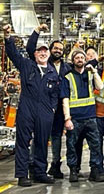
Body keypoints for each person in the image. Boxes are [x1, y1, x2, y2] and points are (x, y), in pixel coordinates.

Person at [4, 24, 61, 186]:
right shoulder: (27, 65)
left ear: (48, 54)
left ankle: (40, 172)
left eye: (45, 51)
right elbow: (13, 54)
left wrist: (52, 108)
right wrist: (8, 37)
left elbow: (55, 93)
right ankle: (22, 175)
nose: (42, 53)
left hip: (45, 110)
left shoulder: (52, 72)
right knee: (23, 141)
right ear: (34, 54)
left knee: (42, 142)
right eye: (39, 51)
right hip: (27, 108)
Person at [25, 24, 70, 180]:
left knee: (56, 137)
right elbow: (30, 49)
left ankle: (55, 166)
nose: (58, 51)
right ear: (50, 49)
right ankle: (33, 166)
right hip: (42, 106)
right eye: (55, 48)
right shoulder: (42, 61)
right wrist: (37, 30)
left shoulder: (66, 68)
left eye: (60, 49)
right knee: (39, 137)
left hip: (57, 109)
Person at [61, 50, 104, 182]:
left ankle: (95, 171)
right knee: (72, 146)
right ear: (73, 61)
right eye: (77, 58)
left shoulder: (90, 75)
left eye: (82, 57)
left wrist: (94, 71)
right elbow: (65, 99)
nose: (80, 59)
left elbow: (100, 87)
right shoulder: (67, 77)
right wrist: (67, 118)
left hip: (90, 117)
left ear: (85, 60)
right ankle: (74, 171)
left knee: (96, 145)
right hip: (75, 118)